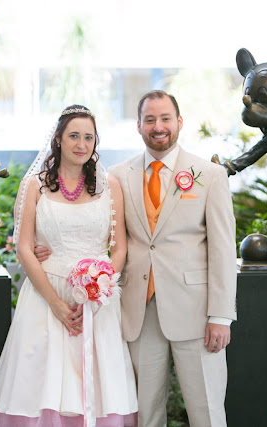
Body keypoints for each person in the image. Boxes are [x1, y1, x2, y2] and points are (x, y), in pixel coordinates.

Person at [0, 105, 138, 426]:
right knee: (41, 385)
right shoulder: (34, 186)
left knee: (96, 384)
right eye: (74, 136)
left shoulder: (111, 188)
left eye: (89, 137)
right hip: (45, 295)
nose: (81, 144)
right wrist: (55, 304)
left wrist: (100, 290)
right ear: (58, 140)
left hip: (97, 303)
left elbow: (119, 247)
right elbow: (25, 248)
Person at [109, 90, 237, 426]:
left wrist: (221, 316)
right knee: (144, 414)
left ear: (179, 122)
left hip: (196, 312)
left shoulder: (209, 175)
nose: (158, 126)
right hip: (139, 311)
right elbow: (106, 237)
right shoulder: (118, 176)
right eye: (149, 119)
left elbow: (224, 249)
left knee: (207, 410)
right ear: (138, 126)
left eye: (165, 118)